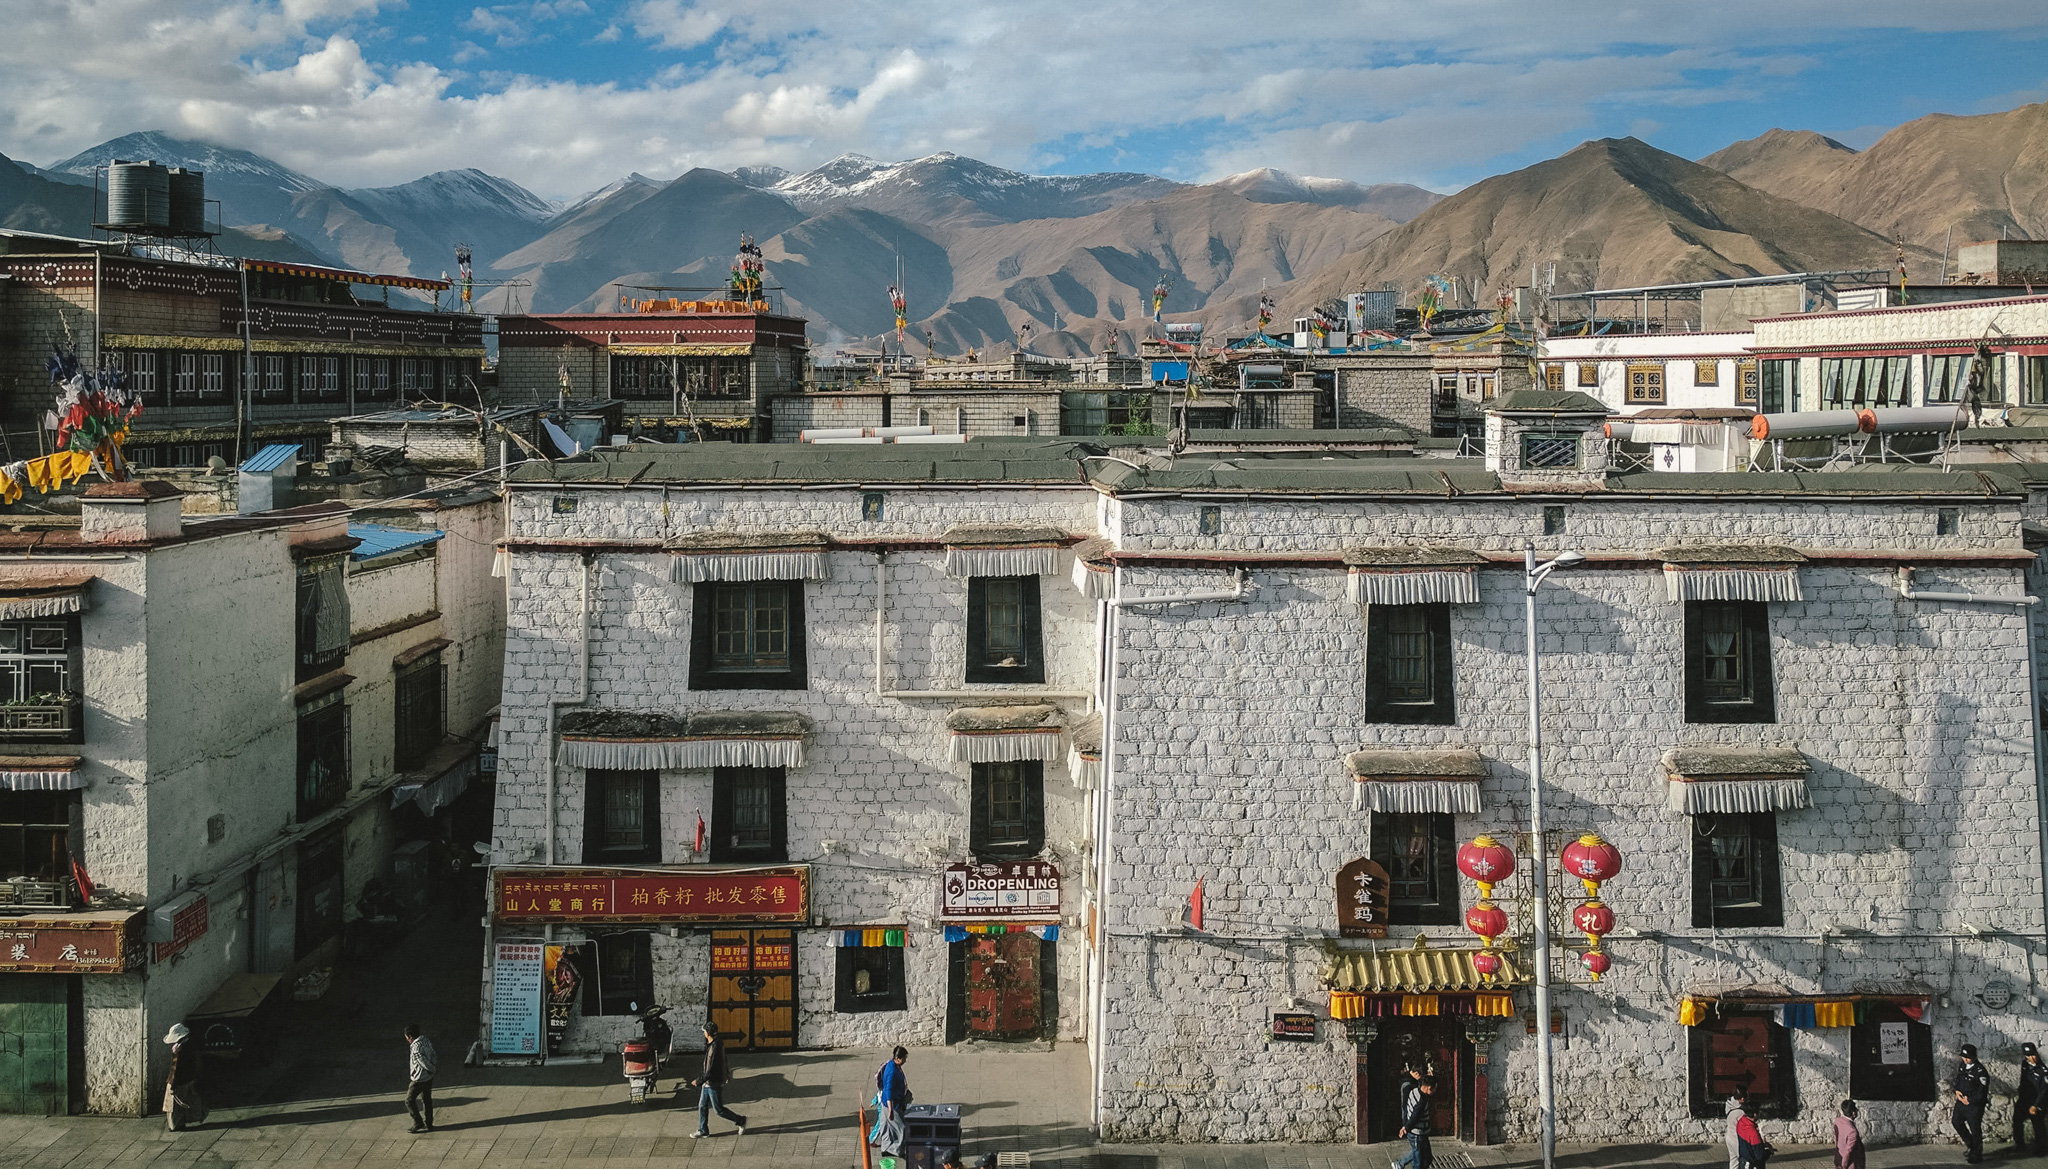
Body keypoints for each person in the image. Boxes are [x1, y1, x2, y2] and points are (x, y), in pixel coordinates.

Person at [689, 1023, 747, 1138]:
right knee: (702, 1105)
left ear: (708, 1033)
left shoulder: (714, 1048)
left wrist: (698, 1081)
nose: (703, 1033)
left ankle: (740, 1120)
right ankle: (703, 1129)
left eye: (704, 1031)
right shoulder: (714, 1044)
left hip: (713, 1083)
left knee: (718, 1110)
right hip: (708, 1082)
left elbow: (710, 1070)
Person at [163, 1023, 206, 1132]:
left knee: (173, 1106)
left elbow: (177, 1068)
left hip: (178, 1081)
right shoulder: (190, 1045)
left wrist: (173, 1083)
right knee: (182, 1102)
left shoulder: (181, 1050)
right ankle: (180, 1122)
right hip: (186, 1079)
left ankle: (175, 1125)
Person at [1955, 1043, 1991, 1163]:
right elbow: (1959, 1079)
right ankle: (1971, 1145)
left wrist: (1969, 1100)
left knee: (1975, 1129)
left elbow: (1982, 1092)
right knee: (1956, 1122)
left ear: (1974, 1057)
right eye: (1963, 1057)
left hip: (1974, 1105)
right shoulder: (1963, 1065)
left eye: (1967, 1057)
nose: (1965, 1060)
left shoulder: (1980, 1071)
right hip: (1961, 1101)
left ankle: (1977, 1154)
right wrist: (1957, 1090)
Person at [873, 1046, 911, 1155]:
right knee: (902, 1128)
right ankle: (895, 1149)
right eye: (904, 1058)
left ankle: (885, 1148)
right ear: (898, 1058)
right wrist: (891, 1110)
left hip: (886, 1102)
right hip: (893, 1104)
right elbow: (889, 1090)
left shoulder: (891, 1064)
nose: (905, 1061)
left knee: (885, 1126)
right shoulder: (892, 1071)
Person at [1393, 1074, 1434, 1169]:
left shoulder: (1414, 1091)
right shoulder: (1422, 1101)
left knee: (1425, 1156)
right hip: (1417, 1133)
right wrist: (1406, 1128)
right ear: (1429, 1088)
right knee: (1418, 1161)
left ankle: (1399, 1164)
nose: (1435, 1092)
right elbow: (1415, 1116)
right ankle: (1399, 1164)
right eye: (1434, 1089)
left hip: (1421, 1133)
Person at [404, 1023, 437, 1133]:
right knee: (427, 1100)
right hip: (428, 1077)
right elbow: (433, 1054)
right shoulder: (426, 1040)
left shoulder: (416, 1047)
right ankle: (429, 1123)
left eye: (406, 1037)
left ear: (410, 1036)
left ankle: (418, 1122)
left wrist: (431, 1068)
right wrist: (433, 1068)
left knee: (409, 1100)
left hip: (419, 1078)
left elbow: (422, 1061)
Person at [2018, 1044, 2048, 1155]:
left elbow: (2045, 1091)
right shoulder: (2025, 1065)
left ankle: (2041, 1149)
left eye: (2033, 1055)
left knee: (2038, 1126)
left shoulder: (2043, 1071)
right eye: (2029, 1055)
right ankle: (2020, 1145)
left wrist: (2036, 1105)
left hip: (2037, 1102)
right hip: (2025, 1100)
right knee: (2017, 1121)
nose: (2032, 1058)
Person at [1835, 1099, 1866, 1169]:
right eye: (1856, 1109)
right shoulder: (1852, 1132)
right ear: (1853, 1113)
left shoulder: (1838, 1121)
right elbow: (1848, 1152)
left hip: (1839, 1159)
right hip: (1851, 1164)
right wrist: (1843, 1166)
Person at [1724, 1091, 1749, 1169]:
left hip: (1729, 1136)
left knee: (1733, 1160)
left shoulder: (1728, 1105)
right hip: (1737, 1139)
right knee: (1746, 1160)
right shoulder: (1741, 1112)